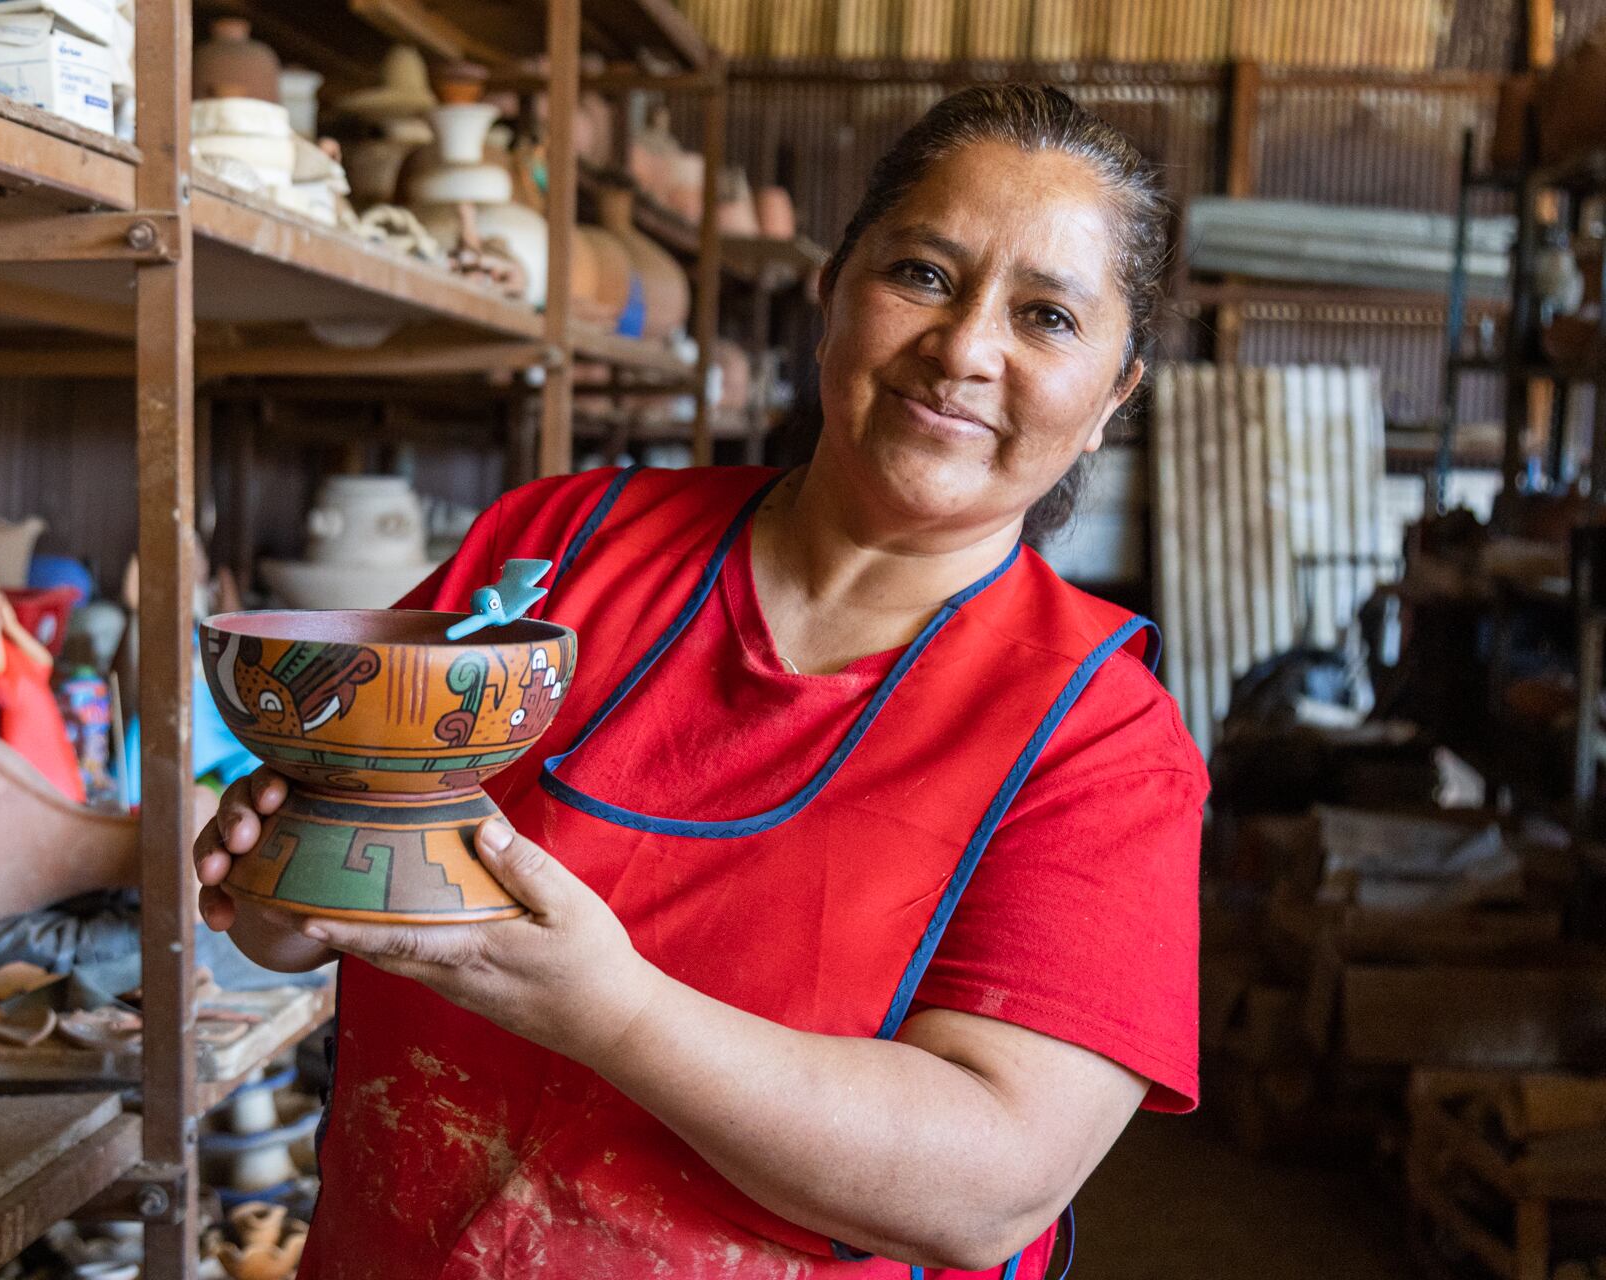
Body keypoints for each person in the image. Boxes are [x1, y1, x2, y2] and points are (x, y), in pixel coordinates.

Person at [196, 85, 1207, 1279]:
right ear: (832, 292)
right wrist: (281, 889)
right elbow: (311, 902)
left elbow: (993, 1182)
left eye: (1046, 317)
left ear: (1114, 396)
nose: (965, 348)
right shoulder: (555, 553)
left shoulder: (1099, 735)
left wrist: (611, 1010)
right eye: (925, 275)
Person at [0, 546, 85, 803]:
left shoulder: (2, 634)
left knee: (60, 786)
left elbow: (44, 661)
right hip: (20, 724)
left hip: (40, 717)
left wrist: (11, 627)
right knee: (30, 791)